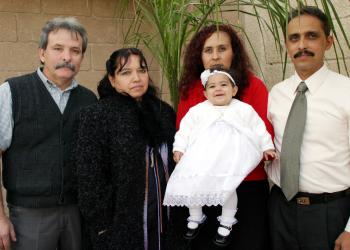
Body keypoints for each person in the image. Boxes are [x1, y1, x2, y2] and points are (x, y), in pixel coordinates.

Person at [0, 17, 96, 250]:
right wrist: (0, 218)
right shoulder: (12, 92)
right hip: (28, 215)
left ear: (82, 57)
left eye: (75, 50)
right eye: (58, 48)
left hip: (77, 213)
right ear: (42, 53)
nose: (67, 57)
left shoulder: (89, 100)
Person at [75, 48, 185, 250]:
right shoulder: (97, 115)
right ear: (112, 79)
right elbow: (89, 178)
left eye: (141, 70)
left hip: (166, 223)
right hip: (121, 228)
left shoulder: (164, 112)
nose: (136, 78)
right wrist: (102, 227)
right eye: (126, 72)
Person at [177, 24, 274, 250]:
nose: (215, 56)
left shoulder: (254, 87)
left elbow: (262, 133)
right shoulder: (191, 91)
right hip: (205, 186)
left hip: (246, 185)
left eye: (222, 48)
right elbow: (185, 135)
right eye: (208, 50)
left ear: (234, 52)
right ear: (199, 56)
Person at [267, 6, 350, 250]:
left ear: (329, 41)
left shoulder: (346, 92)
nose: (302, 45)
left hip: (331, 213)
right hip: (280, 210)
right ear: (286, 45)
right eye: (294, 38)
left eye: (312, 36)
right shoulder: (276, 94)